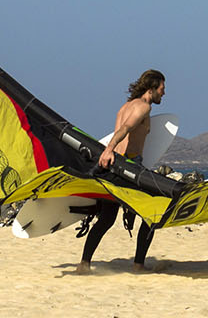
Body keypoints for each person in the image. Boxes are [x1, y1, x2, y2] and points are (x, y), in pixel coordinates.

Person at [77, 68, 166, 272]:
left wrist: (110, 154)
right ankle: (138, 265)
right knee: (152, 214)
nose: (164, 93)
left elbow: (120, 131)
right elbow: (125, 129)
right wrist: (108, 149)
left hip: (114, 166)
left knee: (106, 219)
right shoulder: (143, 107)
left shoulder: (125, 106)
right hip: (129, 166)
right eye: (162, 88)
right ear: (152, 88)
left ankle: (84, 263)